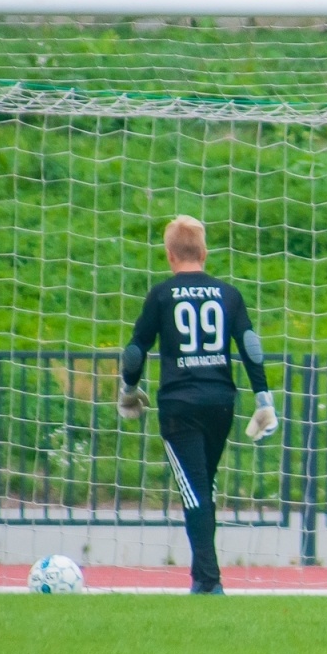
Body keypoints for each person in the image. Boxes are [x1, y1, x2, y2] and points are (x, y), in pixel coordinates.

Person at [118, 215, 278, 595]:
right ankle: (203, 576)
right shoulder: (229, 294)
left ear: (170, 256)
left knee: (194, 491)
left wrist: (128, 389)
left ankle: (208, 581)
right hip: (221, 401)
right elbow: (250, 346)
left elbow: (136, 350)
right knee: (203, 487)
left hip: (180, 404)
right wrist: (264, 399)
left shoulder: (161, 295)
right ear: (204, 253)